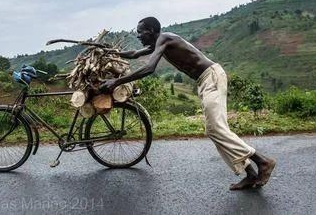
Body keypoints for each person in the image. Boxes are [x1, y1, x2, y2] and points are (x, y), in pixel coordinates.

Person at [99, 17, 276, 190]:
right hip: (204, 81)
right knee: (214, 131)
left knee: (216, 129)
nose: (138, 36)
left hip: (211, 77)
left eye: (140, 32)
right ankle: (250, 173)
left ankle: (263, 161)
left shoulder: (165, 38)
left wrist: (116, 82)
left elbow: (149, 68)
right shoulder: (159, 43)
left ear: (151, 31)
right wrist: (111, 53)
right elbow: (135, 54)